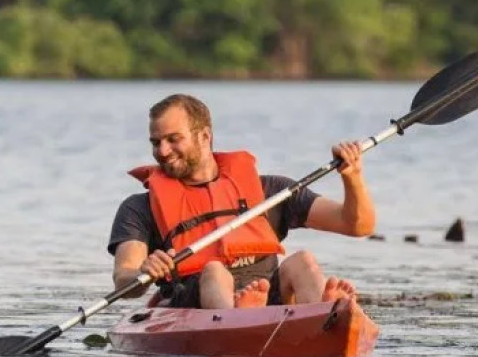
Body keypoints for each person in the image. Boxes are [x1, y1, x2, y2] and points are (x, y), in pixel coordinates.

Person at [108, 93, 374, 309]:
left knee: (303, 261)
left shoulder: (270, 191)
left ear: (204, 136)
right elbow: (123, 279)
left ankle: (322, 315)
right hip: (195, 301)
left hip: (265, 293)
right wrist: (143, 272)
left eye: (173, 139)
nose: (162, 151)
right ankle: (238, 316)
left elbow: (356, 225)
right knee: (214, 271)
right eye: (156, 142)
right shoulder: (139, 208)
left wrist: (353, 176)